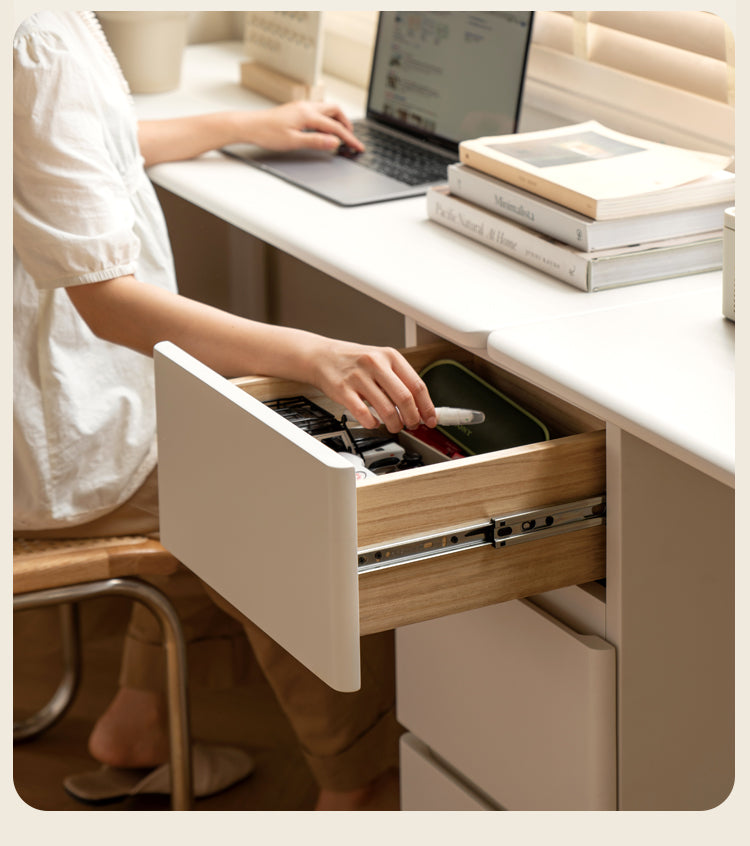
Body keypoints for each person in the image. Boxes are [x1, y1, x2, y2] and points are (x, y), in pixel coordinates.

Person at [14, 10, 437, 810]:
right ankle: (361, 784)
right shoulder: (34, 39)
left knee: (205, 437)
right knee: (284, 494)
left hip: (42, 409)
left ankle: (138, 722)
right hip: (43, 444)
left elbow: (77, 151)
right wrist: (316, 353)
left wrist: (241, 126)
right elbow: (110, 308)